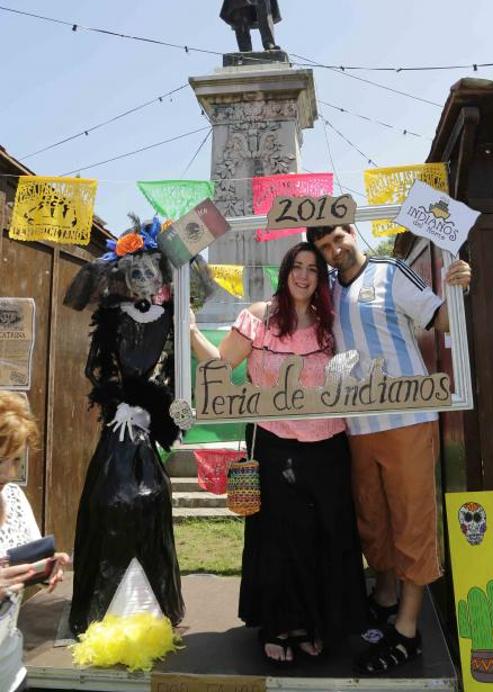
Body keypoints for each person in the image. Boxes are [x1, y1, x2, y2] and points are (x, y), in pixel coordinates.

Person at [190, 241, 367, 666]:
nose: (303, 275)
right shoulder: (258, 317)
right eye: (296, 267)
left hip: (328, 444)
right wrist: (191, 330)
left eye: (311, 268)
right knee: (278, 541)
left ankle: (316, 623)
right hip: (272, 442)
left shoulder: (333, 323)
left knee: (324, 536)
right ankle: (280, 626)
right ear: (285, 272)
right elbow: (220, 364)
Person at [307, 223, 471, 675]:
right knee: (374, 520)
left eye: (337, 238)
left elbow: (438, 318)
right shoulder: (330, 291)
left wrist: (459, 284)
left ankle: (407, 630)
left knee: (412, 519)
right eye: (324, 246)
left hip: (407, 420)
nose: (334, 249)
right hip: (358, 427)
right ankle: (385, 597)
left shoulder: (390, 271)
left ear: (352, 231)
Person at [63, 216, 184, 640]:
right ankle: (104, 603)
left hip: (149, 431)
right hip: (117, 431)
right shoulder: (112, 317)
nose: (143, 279)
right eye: (136, 272)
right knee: (110, 501)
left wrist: (160, 413)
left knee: (150, 502)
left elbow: (177, 375)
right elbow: (95, 368)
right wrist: (117, 401)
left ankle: (152, 603)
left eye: (150, 271)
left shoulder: (172, 320)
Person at [0, 391, 69, 692]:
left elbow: (27, 561)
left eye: (14, 460)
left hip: (11, 673)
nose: (7, 473)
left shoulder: (13, 498)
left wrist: (46, 569)